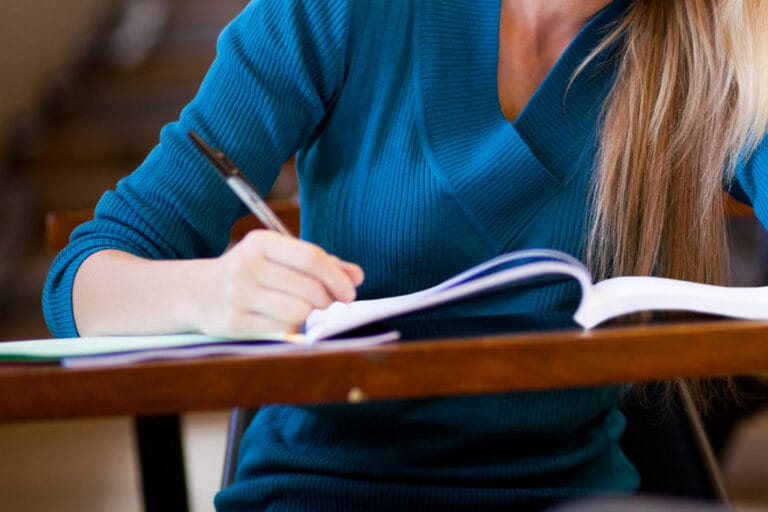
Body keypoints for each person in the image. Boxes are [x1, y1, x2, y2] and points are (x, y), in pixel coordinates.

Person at [43, 0, 768, 510]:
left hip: (572, 497)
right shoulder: (342, 12)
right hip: (328, 493)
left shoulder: (715, 47)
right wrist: (209, 294)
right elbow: (82, 282)